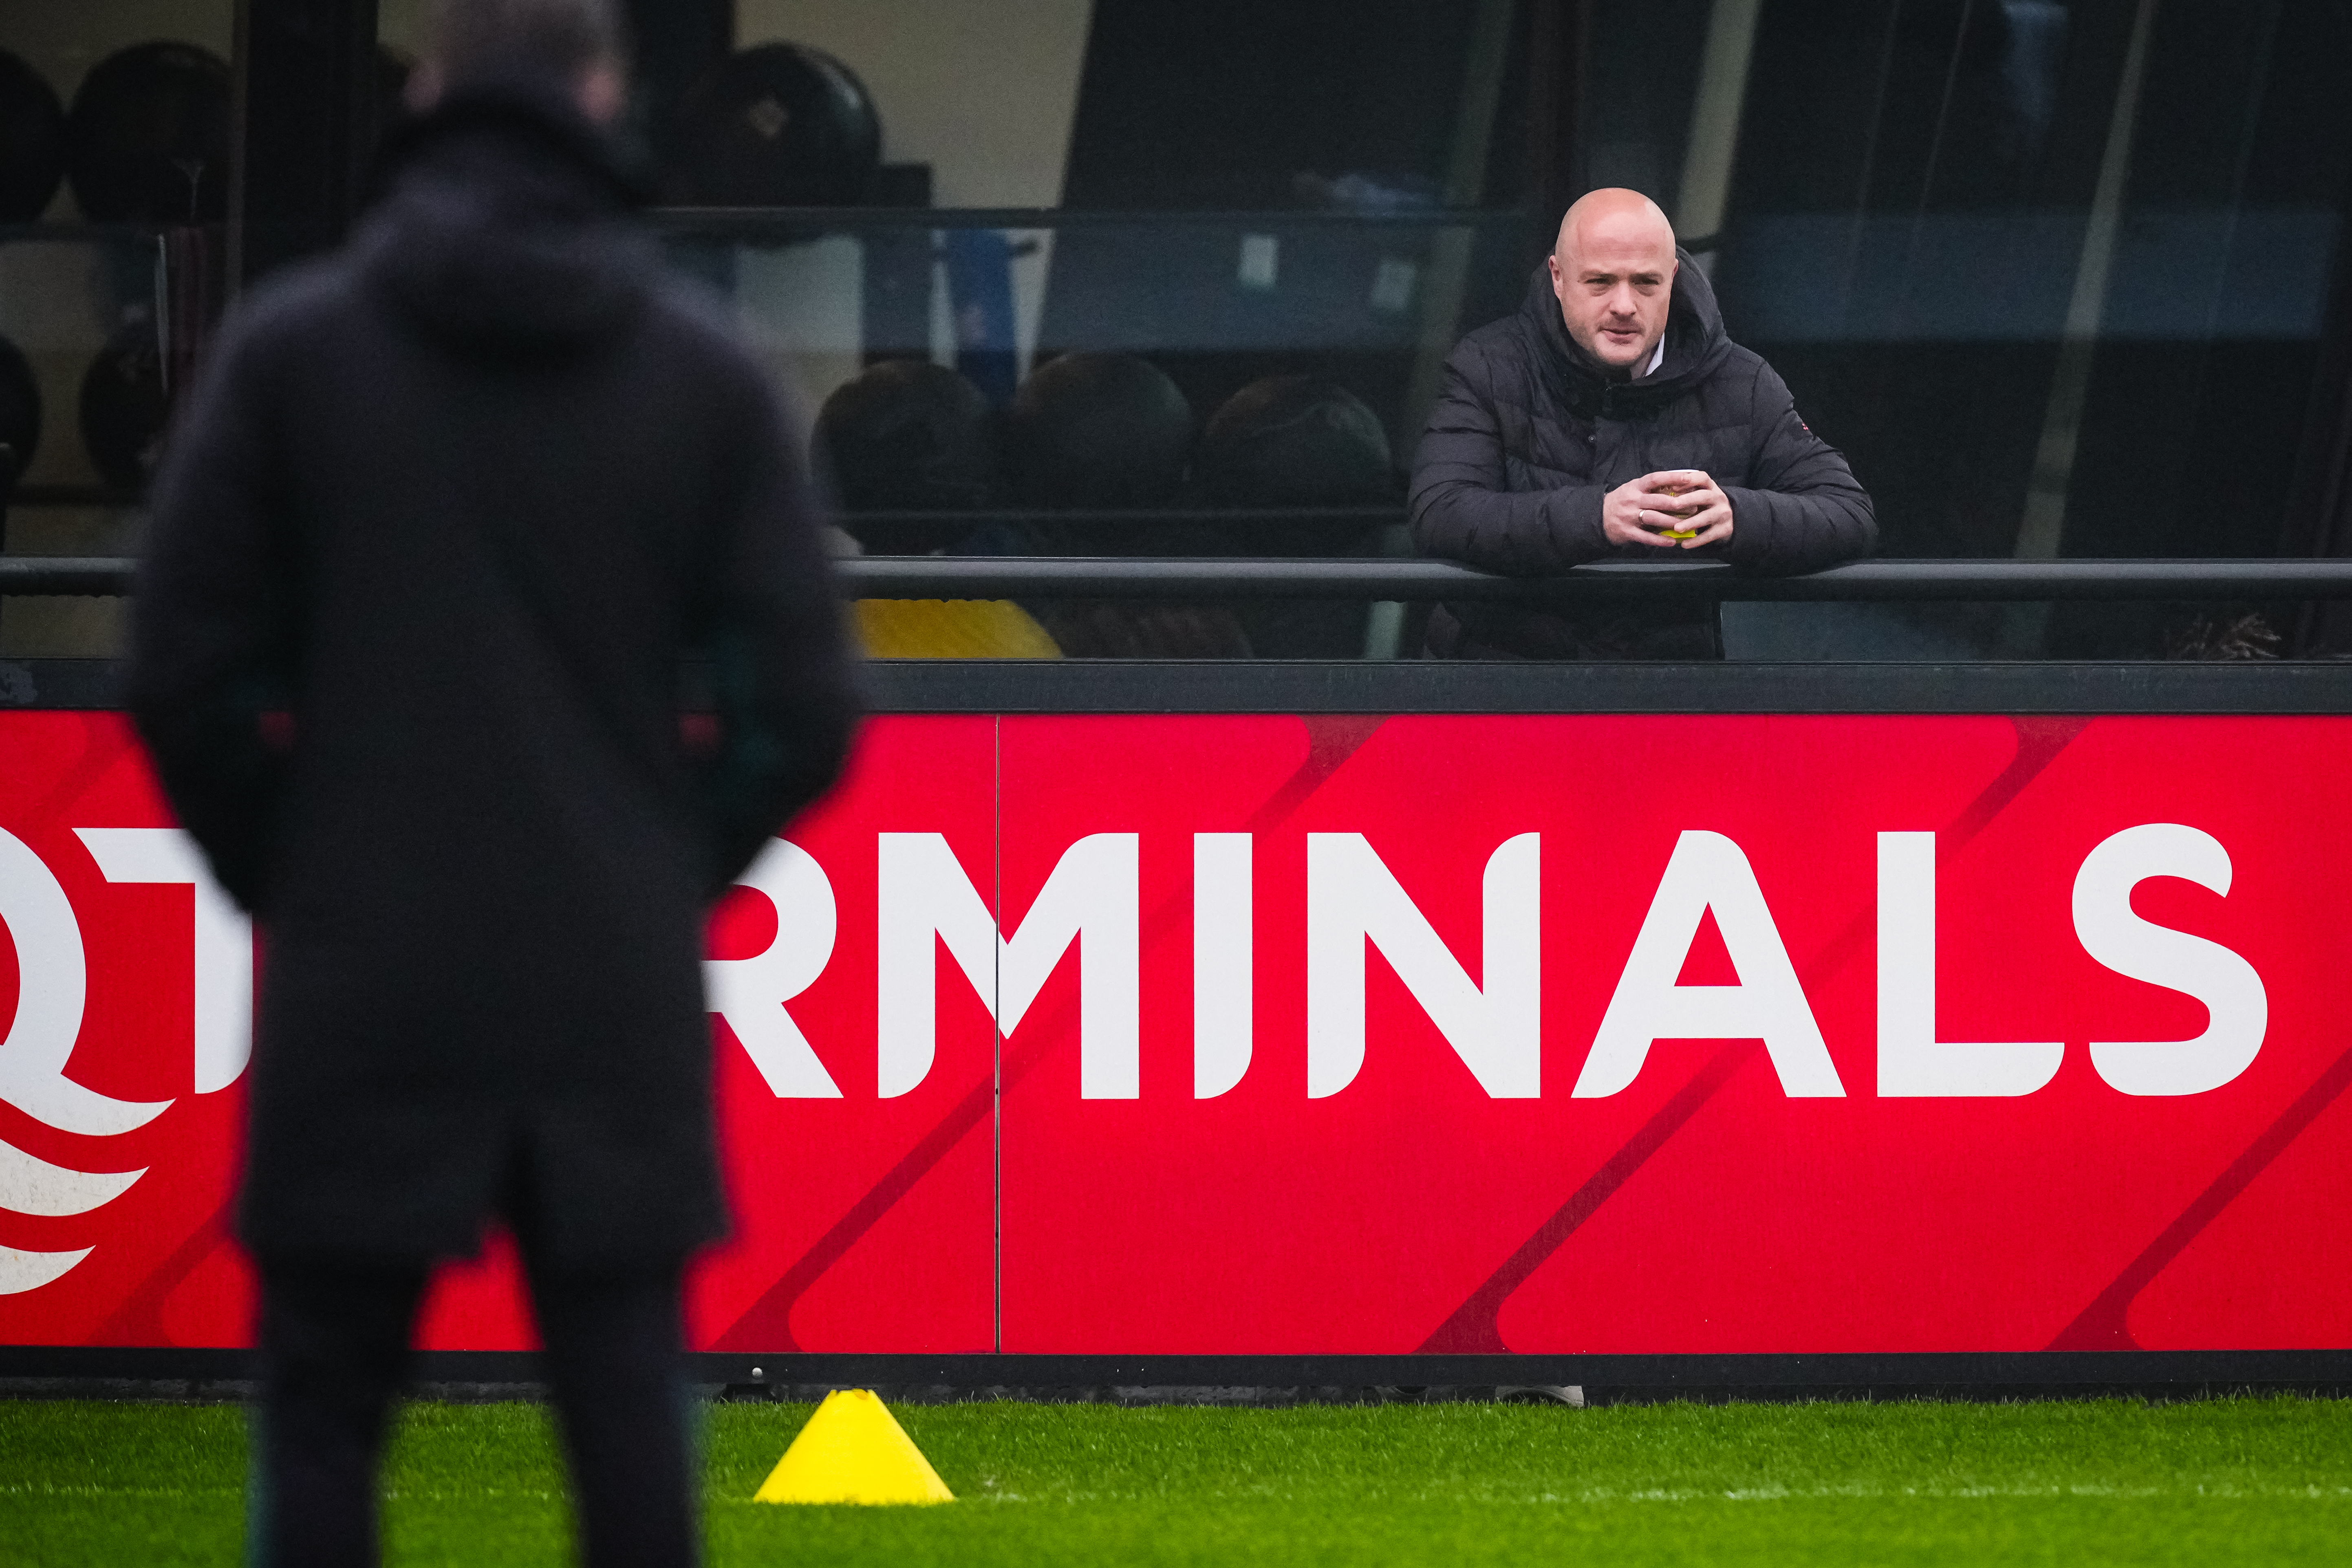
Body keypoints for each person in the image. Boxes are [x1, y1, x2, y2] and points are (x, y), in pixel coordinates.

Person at [124, 2, 859, 1564]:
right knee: (622, 1415)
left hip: (366, 965)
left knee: (324, 1414)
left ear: (437, 97)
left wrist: (294, 865)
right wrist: (663, 861)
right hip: (604, 969)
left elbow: (180, 666)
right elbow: (806, 702)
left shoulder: (297, 349)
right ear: (601, 101)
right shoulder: (699, 370)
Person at [1409, 187, 1875, 658]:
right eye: (1600, 282)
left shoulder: (1742, 381)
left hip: (1665, 701)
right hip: (1495, 692)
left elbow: (1848, 514)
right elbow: (1441, 511)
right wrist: (1596, 518)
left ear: (1672, 278)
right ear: (1557, 277)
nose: (1624, 305)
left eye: (1646, 283)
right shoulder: (1489, 364)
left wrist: (1736, 516)